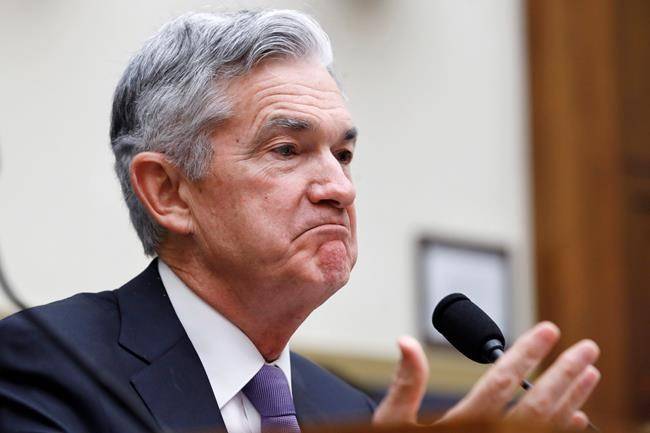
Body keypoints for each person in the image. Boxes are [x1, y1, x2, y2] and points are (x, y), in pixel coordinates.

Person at [0, 10, 600, 433]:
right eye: (286, 150)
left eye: (343, 154)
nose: (339, 188)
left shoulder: (350, 411)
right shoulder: (42, 368)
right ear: (169, 192)